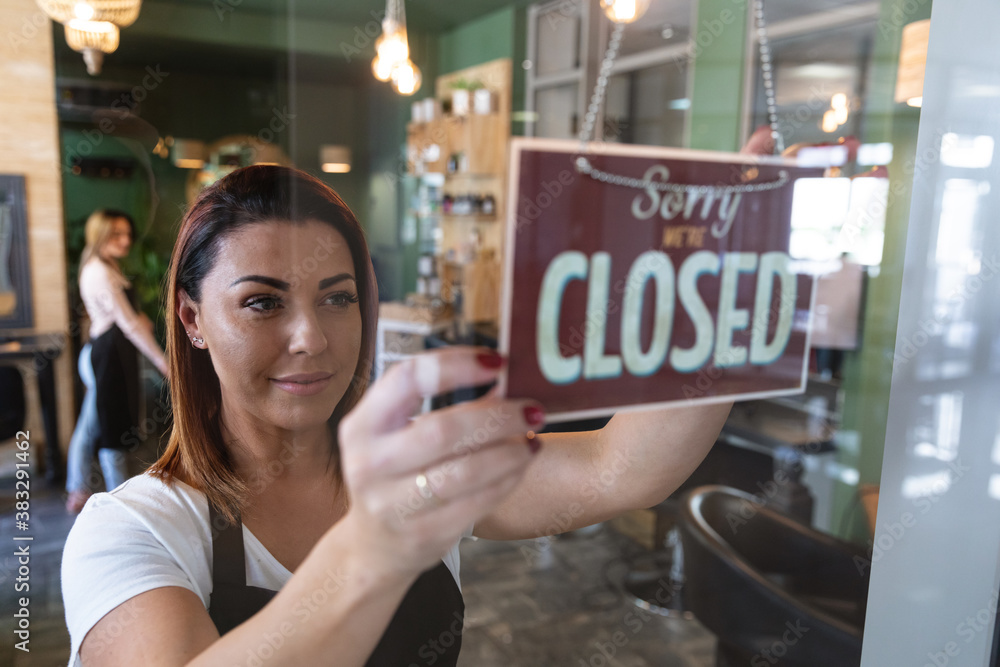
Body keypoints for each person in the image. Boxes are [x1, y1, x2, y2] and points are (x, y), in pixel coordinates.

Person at [61, 166, 731, 666]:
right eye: (263, 303)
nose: (311, 339)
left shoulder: (419, 468)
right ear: (192, 317)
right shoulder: (129, 532)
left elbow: (618, 469)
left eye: (338, 297)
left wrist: (728, 294)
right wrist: (377, 545)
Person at [64, 210, 169, 513]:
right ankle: (120, 502)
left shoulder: (108, 266)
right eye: (116, 235)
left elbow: (127, 315)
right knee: (110, 425)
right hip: (106, 357)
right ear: (100, 235)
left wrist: (142, 319)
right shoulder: (98, 270)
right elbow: (127, 323)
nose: (125, 241)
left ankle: (79, 488)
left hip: (111, 353)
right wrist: (162, 362)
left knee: (92, 424)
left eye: (127, 234)